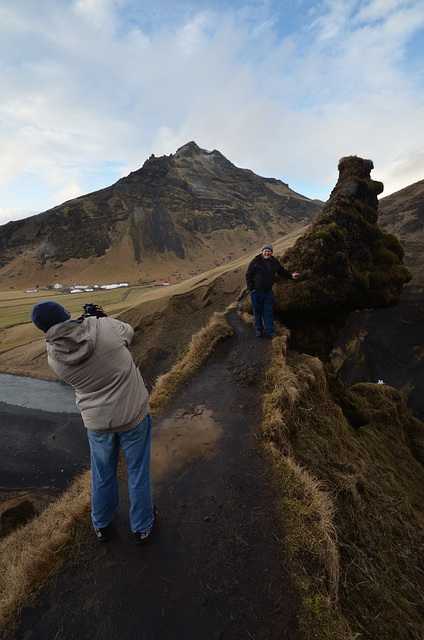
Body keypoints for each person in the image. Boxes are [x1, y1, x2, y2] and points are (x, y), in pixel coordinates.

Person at [30, 300, 155, 545]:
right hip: (133, 414)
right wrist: (98, 318)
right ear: (65, 312)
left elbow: (76, 342)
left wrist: (89, 322)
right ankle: (142, 526)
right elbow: (128, 332)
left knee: (102, 475)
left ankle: (101, 525)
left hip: (97, 424)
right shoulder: (104, 326)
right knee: (138, 472)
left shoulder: (54, 358)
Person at [245, 243, 299, 338]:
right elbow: (248, 275)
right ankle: (258, 330)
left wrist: (290, 276)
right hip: (256, 291)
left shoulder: (274, 262)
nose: (267, 253)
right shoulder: (256, 261)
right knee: (257, 312)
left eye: (269, 251)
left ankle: (270, 332)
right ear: (262, 252)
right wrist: (251, 288)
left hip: (268, 292)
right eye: (265, 251)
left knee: (268, 312)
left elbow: (281, 271)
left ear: (271, 252)